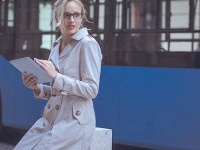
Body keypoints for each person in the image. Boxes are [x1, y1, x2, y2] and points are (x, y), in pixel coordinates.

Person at [13, 0, 102, 149]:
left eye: (76, 15)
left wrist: (56, 77)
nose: (71, 20)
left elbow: (92, 89)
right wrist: (37, 88)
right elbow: (58, 92)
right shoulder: (56, 45)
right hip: (51, 119)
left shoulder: (88, 44)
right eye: (66, 15)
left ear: (81, 18)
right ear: (57, 18)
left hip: (74, 123)